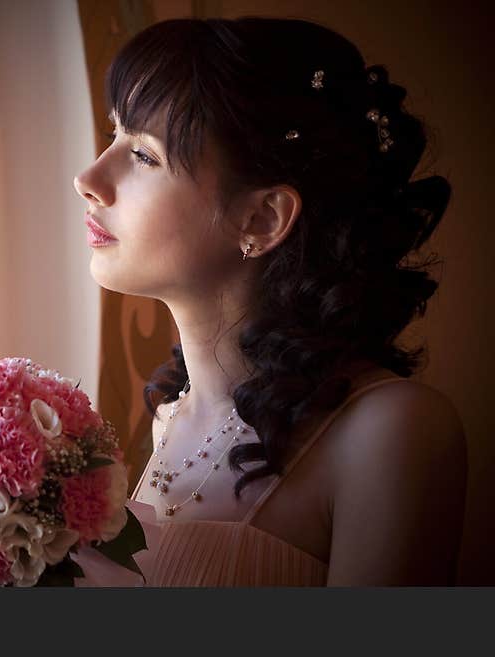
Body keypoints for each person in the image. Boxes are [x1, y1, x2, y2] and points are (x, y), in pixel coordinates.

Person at [72, 17, 467, 586]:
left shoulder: (389, 431)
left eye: (144, 156)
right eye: (114, 136)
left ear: (262, 218)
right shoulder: (170, 419)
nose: (89, 177)